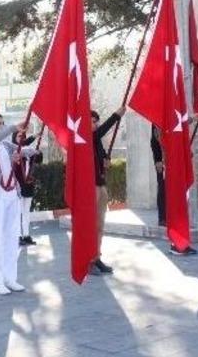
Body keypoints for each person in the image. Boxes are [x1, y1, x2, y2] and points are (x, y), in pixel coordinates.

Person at [0, 112, 33, 295]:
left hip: (11, 194)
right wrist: (12, 128)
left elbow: (21, 150)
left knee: (11, 237)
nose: (1, 126)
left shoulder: (4, 144)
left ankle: (10, 277)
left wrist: (34, 149)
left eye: (3, 123)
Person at [152, 125, 198, 256]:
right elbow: (156, 141)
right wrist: (158, 159)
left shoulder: (175, 124)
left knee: (182, 206)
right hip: (170, 168)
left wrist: (185, 151)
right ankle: (176, 242)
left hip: (179, 168)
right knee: (173, 204)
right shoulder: (159, 123)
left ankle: (181, 242)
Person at [90, 107, 126, 275]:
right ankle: (88, 259)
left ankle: (96, 257)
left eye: (96, 121)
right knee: (91, 225)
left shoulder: (96, 141)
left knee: (100, 225)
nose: (96, 124)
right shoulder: (86, 137)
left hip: (101, 184)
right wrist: (115, 116)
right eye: (92, 121)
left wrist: (106, 160)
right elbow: (98, 134)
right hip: (90, 187)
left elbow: (104, 157)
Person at [12, 131, 43, 246]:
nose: (22, 138)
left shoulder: (28, 151)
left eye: (23, 136)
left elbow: (39, 159)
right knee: (18, 212)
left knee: (26, 212)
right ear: (14, 138)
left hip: (28, 185)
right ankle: (18, 236)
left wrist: (38, 152)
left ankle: (26, 235)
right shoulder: (14, 150)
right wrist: (34, 136)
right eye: (19, 136)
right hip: (17, 186)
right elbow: (23, 145)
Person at [150, 126, 166, 227]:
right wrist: (158, 160)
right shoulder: (156, 122)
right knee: (163, 188)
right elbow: (154, 142)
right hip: (162, 162)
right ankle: (162, 218)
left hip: (173, 158)